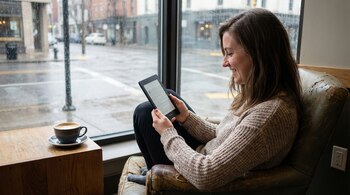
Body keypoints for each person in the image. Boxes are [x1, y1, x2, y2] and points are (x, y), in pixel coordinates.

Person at [129, 8, 302, 190]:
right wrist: (187, 117)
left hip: (200, 171)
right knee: (168, 99)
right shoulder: (261, 95)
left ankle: (157, 179)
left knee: (144, 113)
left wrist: (167, 134)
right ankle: (152, 174)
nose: (224, 62)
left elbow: (205, 175)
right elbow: (222, 134)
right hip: (206, 152)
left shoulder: (268, 116)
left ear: (258, 53)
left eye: (230, 53)